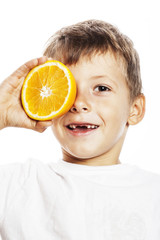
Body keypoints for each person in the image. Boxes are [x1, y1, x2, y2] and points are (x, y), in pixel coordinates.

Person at [0, 19, 159, 240]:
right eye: (68, 89)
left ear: (135, 109)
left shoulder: (154, 194)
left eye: (101, 88)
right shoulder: (16, 185)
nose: (79, 103)